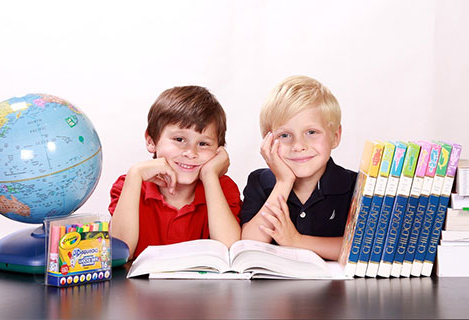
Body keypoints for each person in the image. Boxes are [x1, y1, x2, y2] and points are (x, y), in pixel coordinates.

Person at [109, 86, 241, 259]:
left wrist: (210, 176)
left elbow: (230, 252)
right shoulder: (130, 185)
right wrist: (135, 174)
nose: (191, 153)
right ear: (151, 141)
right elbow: (120, 254)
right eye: (179, 139)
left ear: (218, 151)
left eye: (203, 144)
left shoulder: (222, 188)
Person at [240, 75, 357, 260]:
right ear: (267, 141)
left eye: (311, 132)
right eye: (285, 135)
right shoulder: (260, 182)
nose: (298, 145)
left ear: (335, 136)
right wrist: (283, 181)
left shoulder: (354, 185)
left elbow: (359, 248)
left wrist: (297, 241)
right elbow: (248, 245)